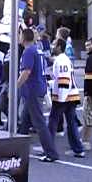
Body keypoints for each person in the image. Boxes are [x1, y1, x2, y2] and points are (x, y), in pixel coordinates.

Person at [18, 28, 59, 162]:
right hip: (38, 87)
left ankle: (51, 152)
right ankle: (17, 149)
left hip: (32, 90)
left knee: (39, 123)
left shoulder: (28, 51)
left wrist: (15, 86)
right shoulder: (37, 50)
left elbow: (26, 72)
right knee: (24, 122)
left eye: (20, 35)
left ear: (24, 38)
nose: (18, 37)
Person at [48, 38, 85, 158]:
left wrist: (61, 98)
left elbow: (64, 79)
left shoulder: (61, 60)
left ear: (59, 46)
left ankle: (48, 148)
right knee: (71, 122)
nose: (52, 46)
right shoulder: (64, 59)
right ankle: (78, 149)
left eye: (54, 44)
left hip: (64, 96)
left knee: (53, 122)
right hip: (71, 95)